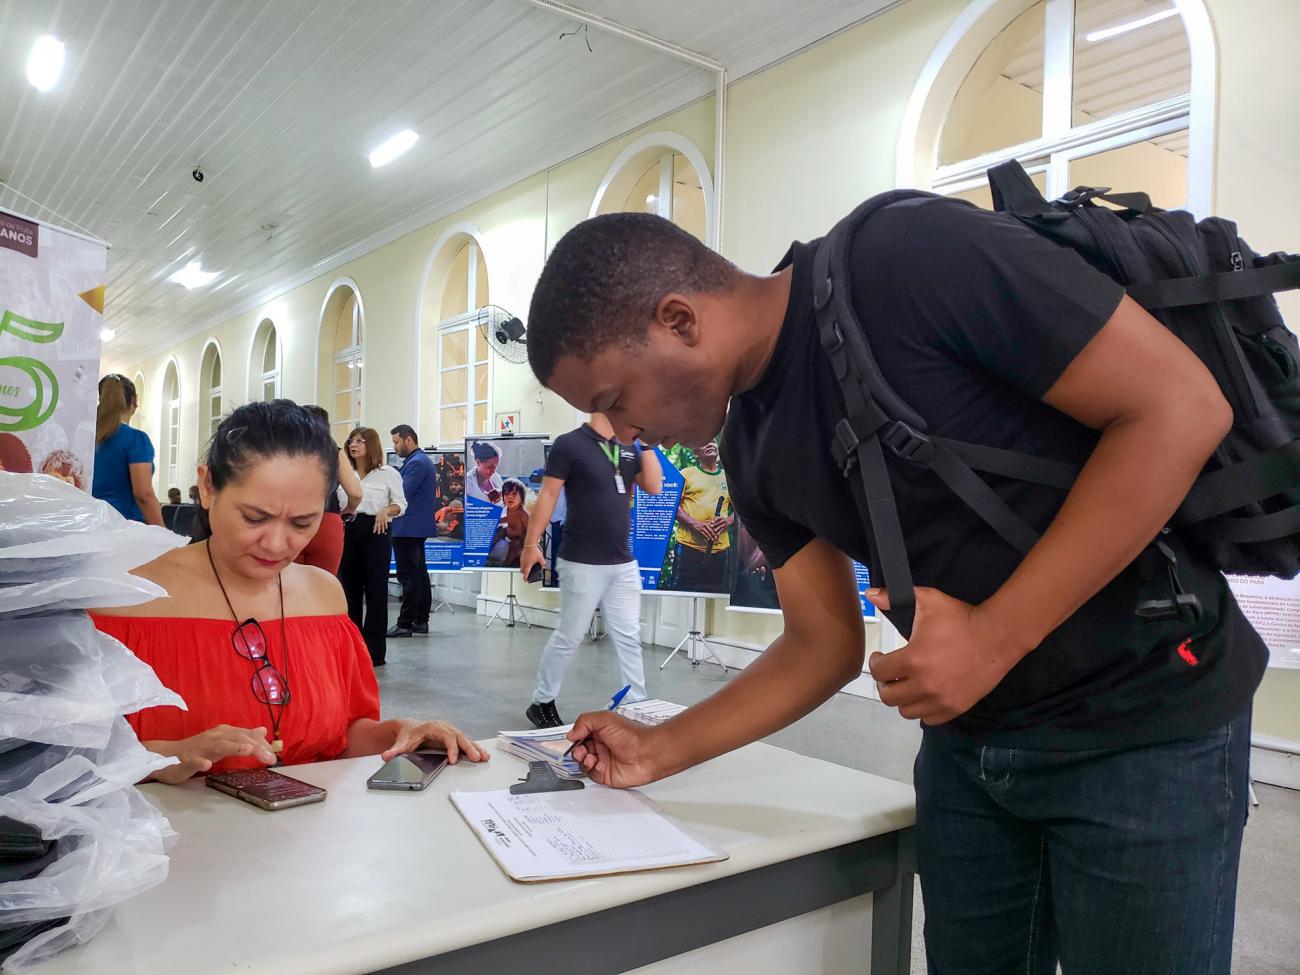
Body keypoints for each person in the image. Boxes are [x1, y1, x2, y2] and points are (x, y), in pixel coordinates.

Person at [523, 210, 1264, 973]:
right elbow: (823, 641)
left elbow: (1180, 406)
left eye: (614, 396)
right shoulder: (749, 447)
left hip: (1145, 728)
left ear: (678, 319)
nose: (623, 428)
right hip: (971, 754)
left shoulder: (906, 259)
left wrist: (991, 638)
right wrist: (660, 747)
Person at [90, 400, 486, 783]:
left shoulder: (324, 595)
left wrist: (401, 732)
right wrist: (168, 756)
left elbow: (340, 736)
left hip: (308, 840)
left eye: (302, 522)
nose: (277, 545)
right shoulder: (127, 597)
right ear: (208, 487)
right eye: (255, 517)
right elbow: (66, 757)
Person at [518, 414, 662, 728]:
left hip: (622, 563)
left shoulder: (628, 446)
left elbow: (653, 485)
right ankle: (541, 701)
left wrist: (645, 441)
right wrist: (531, 544)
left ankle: (637, 702)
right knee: (570, 634)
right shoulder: (569, 444)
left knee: (628, 636)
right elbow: (548, 496)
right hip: (582, 561)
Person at [339, 427, 405, 666]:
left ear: (371, 445)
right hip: (348, 529)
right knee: (349, 591)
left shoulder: (388, 473)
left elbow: (401, 504)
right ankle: (352, 648)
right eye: (351, 441)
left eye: (359, 441)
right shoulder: (344, 472)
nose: (353, 445)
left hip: (377, 531)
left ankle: (375, 652)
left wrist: (386, 510)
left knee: (376, 591)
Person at [293, 407, 362, 574]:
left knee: (288, 585)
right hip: (327, 521)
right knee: (323, 585)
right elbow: (355, 492)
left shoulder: (288, 449)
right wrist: (350, 509)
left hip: (292, 520)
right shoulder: (334, 451)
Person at [91, 374, 163, 526]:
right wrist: (162, 533)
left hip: (92, 524)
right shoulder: (135, 439)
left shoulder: (87, 437)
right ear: (134, 403)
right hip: (126, 528)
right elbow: (144, 495)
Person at [387, 424, 435, 638]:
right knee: (419, 575)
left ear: (409, 440)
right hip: (414, 527)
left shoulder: (416, 463)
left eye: (397, 442)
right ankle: (420, 620)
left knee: (408, 577)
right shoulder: (419, 461)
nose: (395, 447)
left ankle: (405, 623)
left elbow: (401, 493)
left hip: (407, 527)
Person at [670, 440, 732, 593]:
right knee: (681, 595)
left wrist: (726, 521)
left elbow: (741, 510)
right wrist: (695, 523)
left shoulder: (729, 477)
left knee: (716, 597)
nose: (710, 444)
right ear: (696, 452)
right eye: (704, 442)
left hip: (719, 550)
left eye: (714, 441)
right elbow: (672, 505)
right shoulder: (686, 474)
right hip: (688, 548)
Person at [488, 478, 529, 567]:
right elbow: (504, 520)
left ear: (521, 497)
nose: (510, 497)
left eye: (514, 494)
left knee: (515, 543)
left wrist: (518, 534)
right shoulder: (508, 510)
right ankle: (486, 552)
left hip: (521, 543)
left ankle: (506, 564)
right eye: (506, 494)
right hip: (508, 538)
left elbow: (533, 535)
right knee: (500, 529)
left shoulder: (523, 514)